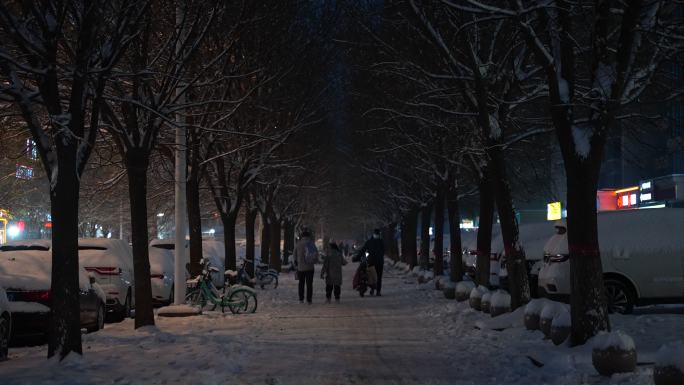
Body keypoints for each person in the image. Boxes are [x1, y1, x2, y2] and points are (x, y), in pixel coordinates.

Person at [359, 228, 385, 296]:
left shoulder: (370, 242)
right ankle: (377, 291)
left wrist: (358, 256)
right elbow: (384, 250)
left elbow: (363, 250)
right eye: (377, 234)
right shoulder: (381, 241)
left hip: (372, 262)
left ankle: (374, 289)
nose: (377, 235)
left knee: (373, 276)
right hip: (378, 262)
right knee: (377, 277)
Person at [294, 230, 318, 304]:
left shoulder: (298, 244)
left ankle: (301, 299)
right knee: (309, 284)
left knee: (301, 283)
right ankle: (309, 299)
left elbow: (294, 255)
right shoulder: (311, 244)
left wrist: (296, 263)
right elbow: (316, 255)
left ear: (302, 236)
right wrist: (314, 261)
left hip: (301, 268)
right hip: (310, 267)